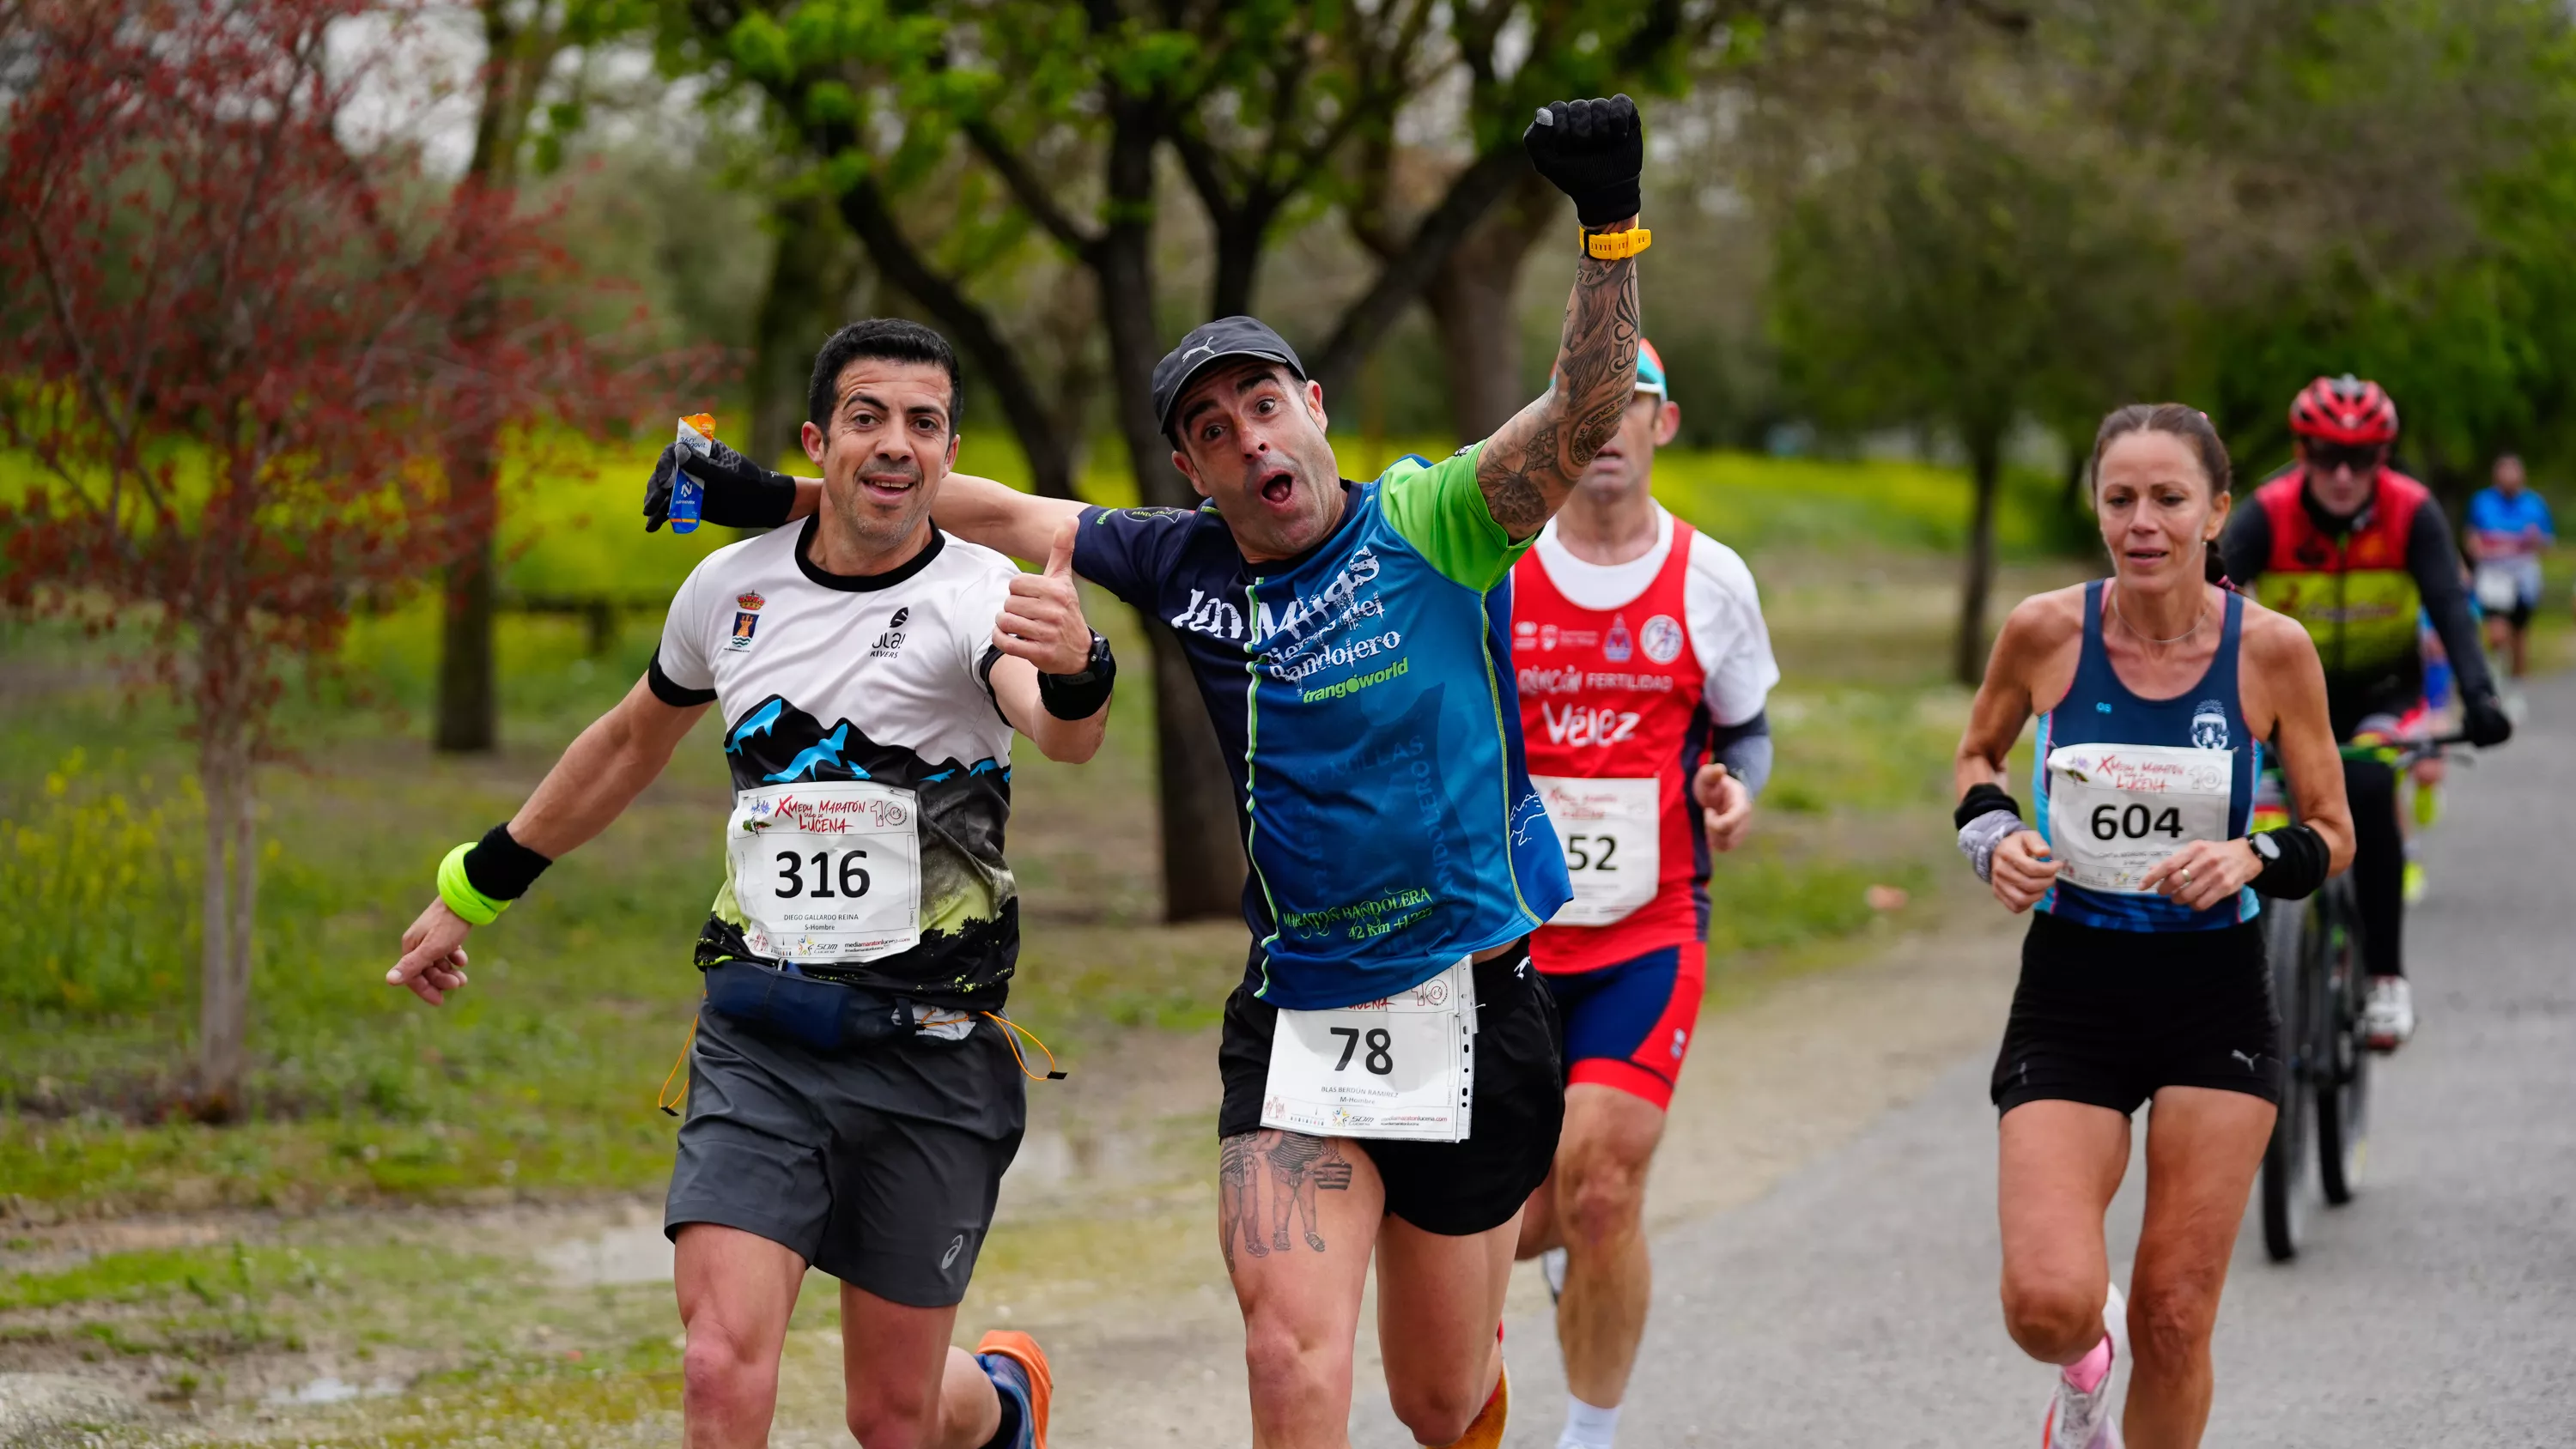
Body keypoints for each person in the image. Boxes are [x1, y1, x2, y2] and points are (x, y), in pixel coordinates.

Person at [647, 94, 1651, 1449]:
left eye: (1265, 407)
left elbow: (1586, 415)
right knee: (1291, 1359)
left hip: (1470, 1003)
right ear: (1190, 466)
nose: (1250, 442)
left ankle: (1471, 1380)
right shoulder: (1182, 561)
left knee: (1437, 1395)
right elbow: (973, 505)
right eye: (1214, 431)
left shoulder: (1436, 520)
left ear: (1316, 410)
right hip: (1295, 1015)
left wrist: (1607, 229)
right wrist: (776, 497)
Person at [390, 319, 1121, 1449]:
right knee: (720, 1368)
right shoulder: (729, 589)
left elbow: (1059, 732)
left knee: (897, 1417)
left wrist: (1081, 673)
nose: (894, 444)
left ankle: (1001, 1401)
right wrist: (474, 889)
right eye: (867, 418)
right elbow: (629, 743)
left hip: (929, 1053)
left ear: (950, 451)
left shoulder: (981, 593)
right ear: (814, 442)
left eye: (922, 424)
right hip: (760, 1044)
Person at [1955, 403, 2354, 1449]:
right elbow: (1977, 758)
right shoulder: (2047, 631)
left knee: (2175, 1315)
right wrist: (1991, 836)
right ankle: (2086, 1368)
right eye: (2120, 497)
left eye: (2169, 498)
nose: (2143, 521)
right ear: (2097, 509)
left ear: (2218, 511)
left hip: (2212, 987)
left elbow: (2332, 828)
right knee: (2044, 1299)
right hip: (2074, 985)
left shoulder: (2274, 652)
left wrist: (2252, 853)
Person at [1504, 338, 1777, 1449]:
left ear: (1663, 425)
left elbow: (1747, 735)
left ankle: (1587, 1435)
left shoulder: (1710, 579)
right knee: (1505, 1216)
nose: (1608, 428)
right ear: (1553, 426)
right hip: (1504, 942)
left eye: (1633, 407)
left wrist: (1732, 795)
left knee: (1603, 1183)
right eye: (1586, 406)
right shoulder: (1499, 567)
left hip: (1648, 928)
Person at [2218, 374, 2512, 1050]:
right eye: (2325, 455)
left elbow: (2449, 608)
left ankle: (2385, 978)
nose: (2343, 474)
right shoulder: (2268, 512)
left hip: (2384, 692)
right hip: (2285, 698)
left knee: (2371, 787)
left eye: (2363, 456)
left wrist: (2482, 695)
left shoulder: (2413, 512)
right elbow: (2207, 601)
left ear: (2385, 456)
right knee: (2246, 811)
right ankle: (2243, 983)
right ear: (2301, 450)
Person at [2464, 452, 2555, 682]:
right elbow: (2471, 537)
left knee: (2519, 633)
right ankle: (2496, 675)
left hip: (2523, 572)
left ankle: (2518, 683)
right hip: (2494, 572)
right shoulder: (2482, 502)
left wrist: (2537, 541)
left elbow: (2547, 542)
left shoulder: (2535, 504)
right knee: (2497, 633)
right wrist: (2476, 548)